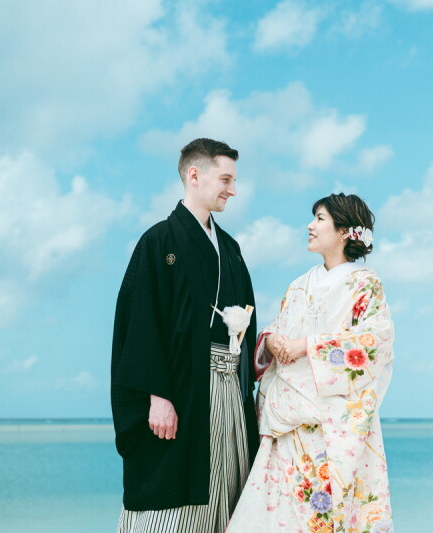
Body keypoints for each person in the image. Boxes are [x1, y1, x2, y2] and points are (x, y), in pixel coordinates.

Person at [111, 138, 259, 532]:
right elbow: (140, 322)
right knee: (175, 493)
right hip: (181, 388)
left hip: (229, 389)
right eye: (225, 178)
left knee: (229, 485)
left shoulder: (229, 247)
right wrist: (157, 395)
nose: (233, 189)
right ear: (194, 175)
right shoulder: (159, 241)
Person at [225, 193, 395, 533]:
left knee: (327, 512)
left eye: (319, 218)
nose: (310, 225)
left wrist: (308, 346)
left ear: (345, 231)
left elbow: (375, 343)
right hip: (288, 419)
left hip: (332, 422)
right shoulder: (300, 284)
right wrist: (271, 341)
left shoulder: (364, 284)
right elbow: (279, 328)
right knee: (278, 513)